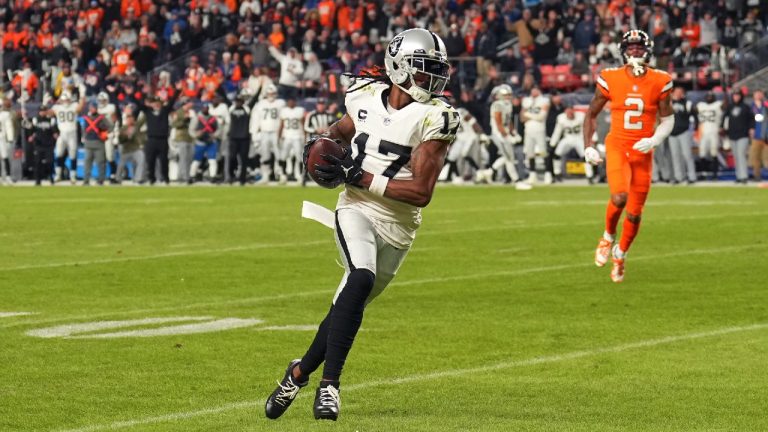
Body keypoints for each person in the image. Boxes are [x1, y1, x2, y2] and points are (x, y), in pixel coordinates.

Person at [264, 28, 460, 421]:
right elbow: (338, 131)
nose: (431, 81)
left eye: (435, 73)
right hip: (355, 208)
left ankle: (297, 372)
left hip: (399, 226)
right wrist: (323, 143)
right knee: (361, 278)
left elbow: (421, 190)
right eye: (423, 72)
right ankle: (330, 387)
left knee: (345, 306)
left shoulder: (437, 116)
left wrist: (361, 176)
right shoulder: (364, 96)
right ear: (398, 67)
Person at [583, 30, 675, 283]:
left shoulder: (661, 79)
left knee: (634, 213)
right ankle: (607, 236)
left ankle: (620, 254)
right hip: (618, 145)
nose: (635, 51)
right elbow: (591, 114)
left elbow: (668, 118)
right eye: (631, 47)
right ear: (623, 50)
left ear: (648, 50)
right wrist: (588, 145)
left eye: (639, 47)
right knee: (619, 195)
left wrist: (655, 139)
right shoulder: (610, 77)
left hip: (643, 151)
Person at [475, 84, 530, 190]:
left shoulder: (508, 104)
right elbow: (499, 123)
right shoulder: (497, 105)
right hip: (498, 135)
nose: (508, 97)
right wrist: (507, 136)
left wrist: (513, 132)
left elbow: (508, 120)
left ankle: (488, 172)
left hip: (504, 133)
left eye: (509, 95)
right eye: (505, 95)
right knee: (509, 158)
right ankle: (517, 181)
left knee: (507, 157)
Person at [133, 84, 181, 185]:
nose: (156, 105)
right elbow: (138, 103)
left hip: (162, 139)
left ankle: (165, 178)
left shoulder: (164, 111)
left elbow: (172, 102)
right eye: (154, 103)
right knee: (150, 160)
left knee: (164, 160)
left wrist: (177, 90)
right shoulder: (148, 112)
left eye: (158, 103)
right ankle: (151, 179)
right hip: (151, 139)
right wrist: (133, 94)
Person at [250, 84, 285, 183]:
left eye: (273, 93)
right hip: (264, 132)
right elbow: (255, 119)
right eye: (269, 93)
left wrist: (282, 133)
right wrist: (254, 133)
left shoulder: (280, 103)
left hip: (276, 132)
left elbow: (284, 118)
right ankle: (265, 175)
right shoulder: (260, 104)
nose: (271, 95)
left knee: (279, 154)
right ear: (266, 94)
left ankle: (281, 174)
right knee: (265, 155)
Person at [549, 103, 592, 183]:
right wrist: (552, 143)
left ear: (573, 111)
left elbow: (587, 127)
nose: (570, 114)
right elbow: (557, 131)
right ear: (565, 112)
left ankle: (589, 175)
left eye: (571, 111)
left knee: (586, 156)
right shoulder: (561, 118)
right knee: (557, 154)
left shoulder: (581, 116)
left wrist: (591, 139)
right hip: (567, 138)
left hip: (579, 138)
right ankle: (557, 173)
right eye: (568, 112)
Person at [722, 91, 755, 184]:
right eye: (734, 95)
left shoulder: (746, 107)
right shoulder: (730, 106)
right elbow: (724, 117)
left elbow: (751, 119)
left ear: (741, 96)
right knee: (736, 157)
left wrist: (751, 128)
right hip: (732, 135)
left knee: (741, 155)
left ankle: (744, 176)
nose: (736, 97)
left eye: (737, 95)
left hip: (743, 135)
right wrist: (722, 128)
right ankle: (739, 176)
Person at [52, 92, 85, 184]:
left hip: (72, 133)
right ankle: (58, 175)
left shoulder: (74, 106)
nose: (66, 101)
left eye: (67, 99)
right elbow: (49, 113)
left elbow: (80, 107)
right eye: (64, 99)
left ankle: (73, 176)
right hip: (62, 134)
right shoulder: (57, 107)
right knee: (59, 153)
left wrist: (82, 95)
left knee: (73, 155)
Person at [227, 92, 258, 185]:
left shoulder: (247, 109)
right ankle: (231, 176)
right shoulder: (231, 109)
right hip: (233, 137)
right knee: (232, 158)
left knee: (244, 159)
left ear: (243, 102)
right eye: (237, 101)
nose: (238, 103)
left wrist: (260, 87)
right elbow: (225, 98)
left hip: (244, 138)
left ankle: (242, 179)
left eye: (240, 101)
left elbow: (254, 99)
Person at [668, 87, 697, 184]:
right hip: (672, 133)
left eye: (679, 92)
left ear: (683, 94)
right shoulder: (668, 102)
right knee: (675, 156)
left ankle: (692, 176)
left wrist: (695, 129)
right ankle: (678, 177)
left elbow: (695, 116)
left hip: (684, 132)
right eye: (676, 92)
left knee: (687, 155)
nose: (677, 94)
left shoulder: (687, 103)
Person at [521, 86, 549, 184]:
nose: (533, 92)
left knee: (543, 152)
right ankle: (532, 175)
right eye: (532, 90)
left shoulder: (544, 100)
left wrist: (528, 115)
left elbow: (541, 117)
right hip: (528, 130)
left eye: (535, 89)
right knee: (530, 153)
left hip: (539, 129)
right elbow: (521, 117)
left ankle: (548, 173)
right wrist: (531, 116)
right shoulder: (526, 100)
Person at [81, 102, 113, 186]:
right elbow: (83, 129)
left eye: (93, 107)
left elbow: (110, 126)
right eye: (90, 107)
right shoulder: (86, 118)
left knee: (101, 162)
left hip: (99, 142)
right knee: (87, 163)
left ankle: (100, 180)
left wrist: (105, 133)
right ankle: (86, 180)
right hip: (88, 142)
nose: (92, 109)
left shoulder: (101, 118)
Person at [695, 92, 723, 180]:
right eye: (708, 96)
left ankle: (715, 174)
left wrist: (725, 91)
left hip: (714, 131)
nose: (709, 98)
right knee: (702, 153)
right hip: (703, 132)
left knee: (714, 153)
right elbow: (693, 110)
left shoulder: (718, 105)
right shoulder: (701, 105)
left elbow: (725, 105)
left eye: (711, 96)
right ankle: (703, 174)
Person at [278, 97, 306, 183]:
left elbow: (303, 124)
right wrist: (278, 136)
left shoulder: (299, 110)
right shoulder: (284, 111)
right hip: (287, 136)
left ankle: (301, 176)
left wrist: (304, 136)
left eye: (292, 101)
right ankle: (283, 175)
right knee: (283, 156)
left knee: (299, 157)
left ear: (295, 102)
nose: (290, 103)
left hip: (297, 136)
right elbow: (281, 125)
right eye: (289, 101)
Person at [189, 103, 220, 183]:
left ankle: (213, 177)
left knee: (212, 160)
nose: (205, 109)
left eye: (206, 108)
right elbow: (191, 130)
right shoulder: (197, 118)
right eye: (204, 108)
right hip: (200, 142)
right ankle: (192, 176)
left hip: (211, 142)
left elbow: (219, 129)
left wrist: (215, 135)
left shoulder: (213, 118)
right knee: (196, 161)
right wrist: (196, 134)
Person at [30, 105, 58, 186]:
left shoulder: (51, 120)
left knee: (50, 162)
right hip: (39, 144)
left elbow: (55, 130)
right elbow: (31, 131)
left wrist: (56, 134)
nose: (42, 112)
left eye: (44, 111)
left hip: (49, 145)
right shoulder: (35, 120)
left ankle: (50, 177)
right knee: (38, 163)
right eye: (41, 111)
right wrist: (31, 136)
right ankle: (38, 180)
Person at [116, 110, 145, 184]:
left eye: (131, 119)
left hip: (135, 148)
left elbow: (142, 120)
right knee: (121, 164)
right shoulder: (123, 128)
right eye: (128, 119)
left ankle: (138, 179)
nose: (130, 120)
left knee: (141, 161)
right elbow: (120, 140)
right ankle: (118, 178)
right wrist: (126, 135)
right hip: (126, 149)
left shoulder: (136, 126)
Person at [97, 91, 120, 183]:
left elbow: (116, 121)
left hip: (109, 134)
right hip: (99, 134)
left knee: (110, 156)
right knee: (100, 157)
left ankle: (113, 175)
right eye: (100, 100)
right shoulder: (97, 108)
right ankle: (101, 176)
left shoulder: (111, 107)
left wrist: (115, 134)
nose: (102, 102)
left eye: (104, 100)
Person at [749, 90, 767, 182]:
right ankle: (757, 176)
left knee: (766, 158)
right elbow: (748, 119)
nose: (759, 95)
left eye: (760, 93)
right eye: (757, 94)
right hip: (756, 136)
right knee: (755, 158)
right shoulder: (750, 107)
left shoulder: (766, 105)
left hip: (766, 136)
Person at [0, 98, 15, 184]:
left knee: (5, 157)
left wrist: (10, 138)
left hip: (2, 138)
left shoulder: (5, 114)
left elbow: (9, 127)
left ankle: (8, 176)